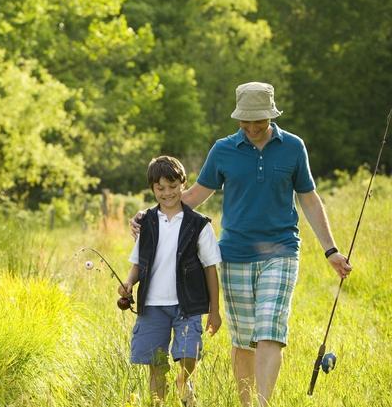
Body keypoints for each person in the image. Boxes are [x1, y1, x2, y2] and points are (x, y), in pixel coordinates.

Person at [130, 82, 352, 407]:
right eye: (244, 122)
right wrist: (148, 217)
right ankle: (246, 404)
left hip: (281, 251)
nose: (250, 129)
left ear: (271, 115)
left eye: (257, 122)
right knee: (244, 340)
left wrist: (330, 250)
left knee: (269, 330)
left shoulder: (293, 147)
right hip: (234, 255)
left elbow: (308, 198)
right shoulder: (223, 150)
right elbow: (190, 198)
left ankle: (262, 405)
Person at [119, 155, 222, 406]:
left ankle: (183, 381)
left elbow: (210, 268)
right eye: (160, 188)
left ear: (183, 185)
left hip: (188, 305)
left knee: (189, 354)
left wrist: (215, 311)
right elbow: (138, 263)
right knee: (155, 363)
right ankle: (158, 403)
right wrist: (128, 283)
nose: (167, 193)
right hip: (152, 305)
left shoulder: (198, 225)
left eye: (173, 186)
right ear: (153, 188)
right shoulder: (146, 223)